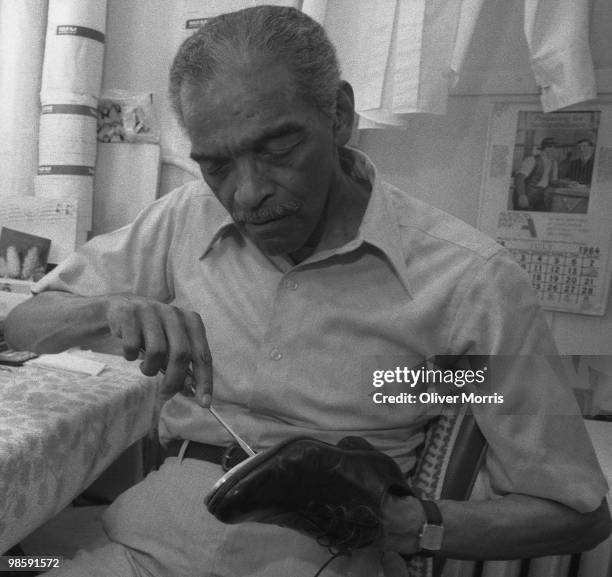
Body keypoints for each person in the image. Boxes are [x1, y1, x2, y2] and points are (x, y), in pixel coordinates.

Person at [5, 6, 610, 577]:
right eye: (216, 165)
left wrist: (411, 525)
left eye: (278, 149)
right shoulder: (186, 216)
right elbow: (24, 324)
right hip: (139, 549)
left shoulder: (468, 281)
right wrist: (109, 310)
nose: (246, 196)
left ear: (339, 115)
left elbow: (578, 513)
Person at [513, 137, 559, 211]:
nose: (554, 150)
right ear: (544, 149)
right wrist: (522, 195)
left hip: (540, 195)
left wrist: (567, 184)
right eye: (550, 147)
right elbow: (519, 178)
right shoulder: (532, 160)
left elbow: (552, 181)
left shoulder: (554, 163)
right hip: (526, 194)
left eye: (555, 148)